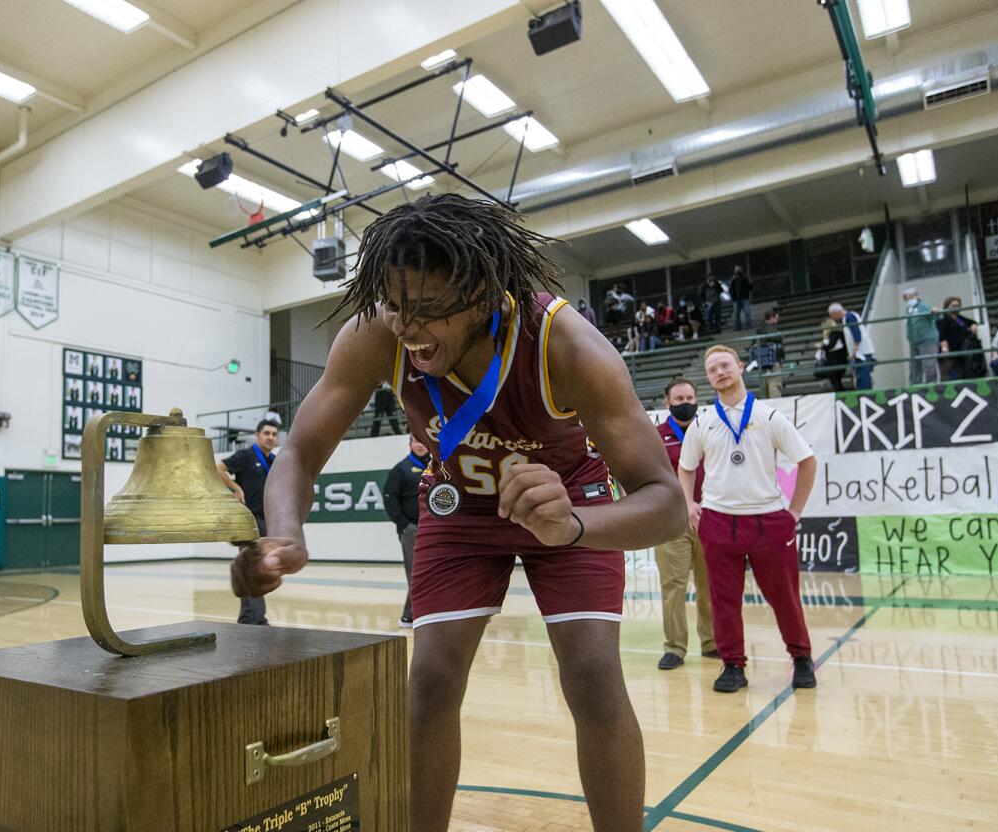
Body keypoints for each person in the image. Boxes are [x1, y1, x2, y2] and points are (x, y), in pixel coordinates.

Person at [230, 194, 686, 832]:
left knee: (592, 675)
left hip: (567, 499)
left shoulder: (568, 346)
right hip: (457, 503)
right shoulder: (377, 332)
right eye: (397, 306)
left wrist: (575, 525)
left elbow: (667, 503)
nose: (410, 329)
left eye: (431, 311)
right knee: (431, 684)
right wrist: (283, 534)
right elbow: (302, 450)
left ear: (484, 294)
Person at [677, 345, 818, 693]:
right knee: (723, 601)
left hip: (768, 522)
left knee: (784, 596)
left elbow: (808, 461)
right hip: (718, 523)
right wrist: (689, 503)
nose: (720, 372)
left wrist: (794, 511)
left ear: (740, 367)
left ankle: (801, 658)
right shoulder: (703, 421)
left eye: (725, 365)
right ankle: (732, 666)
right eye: (713, 369)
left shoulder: (770, 417)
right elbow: (685, 467)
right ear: (708, 378)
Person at [655, 379, 717, 670]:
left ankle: (712, 642)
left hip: (709, 521)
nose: (685, 402)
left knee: (711, 586)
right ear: (667, 403)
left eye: (690, 397)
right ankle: (675, 648)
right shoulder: (656, 436)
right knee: (673, 587)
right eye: (679, 398)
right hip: (672, 524)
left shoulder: (710, 431)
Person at [216, 419, 280, 625]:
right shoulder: (246, 456)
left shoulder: (275, 461)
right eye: (267, 433)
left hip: (266, 521)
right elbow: (218, 468)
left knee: (260, 570)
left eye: (274, 434)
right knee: (253, 568)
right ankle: (255, 621)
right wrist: (236, 488)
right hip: (249, 521)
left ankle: (250, 620)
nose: (270, 437)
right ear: (257, 435)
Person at [383, 437, 430, 628]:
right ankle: (409, 616)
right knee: (415, 573)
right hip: (412, 530)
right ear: (410, 445)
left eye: (422, 441)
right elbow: (389, 498)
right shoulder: (401, 469)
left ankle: (426, 613)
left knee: (433, 573)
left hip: (434, 529)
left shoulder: (437, 467)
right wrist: (404, 525)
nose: (419, 445)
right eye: (415, 441)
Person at [828, 302, 876, 389]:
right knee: (861, 375)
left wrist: (855, 349)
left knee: (862, 376)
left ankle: (865, 394)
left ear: (835, 313)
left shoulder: (849, 317)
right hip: (861, 351)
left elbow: (856, 332)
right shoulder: (849, 317)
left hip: (861, 352)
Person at [937, 297, 981, 380]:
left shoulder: (959, 318)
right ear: (947, 306)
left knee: (962, 374)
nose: (956, 307)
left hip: (962, 351)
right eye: (953, 305)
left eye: (958, 305)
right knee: (948, 375)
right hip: (949, 352)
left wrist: (974, 325)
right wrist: (944, 349)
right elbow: (941, 335)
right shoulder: (943, 318)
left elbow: (971, 322)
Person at [902, 287, 939, 385]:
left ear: (915, 296)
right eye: (906, 299)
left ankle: (931, 385)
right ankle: (914, 385)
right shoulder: (909, 309)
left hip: (926, 339)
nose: (907, 300)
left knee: (929, 364)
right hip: (914, 341)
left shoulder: (923, 306)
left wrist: (935, 311)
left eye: (909, 297)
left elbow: (935, 315)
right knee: (914, 366)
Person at [753, 309, 785, 398]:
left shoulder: (759, 329)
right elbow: (779, 340)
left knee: (764, 386)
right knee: (774, 384)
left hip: (762, 362)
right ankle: (776, 406)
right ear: (771, 318)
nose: (777, 320)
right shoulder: (772, 330)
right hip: (773, 361)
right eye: (776, 318)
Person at [815, 318, 849, 392]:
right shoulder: (838, 334)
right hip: (839, 360)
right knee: (836, 380)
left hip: (836, 361)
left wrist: (822, 346)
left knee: (835, 379)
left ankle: (841, 393)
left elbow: (831, 346)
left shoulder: (834, 334)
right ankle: (841, 392)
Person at [730, 266, 753, 331]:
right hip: (737, 299)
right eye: (737, 269)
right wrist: (733, 298)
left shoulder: (745, 277)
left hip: (744, 298)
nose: (738, 270)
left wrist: (750, 282)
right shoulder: (733, 278)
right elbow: (731, 289)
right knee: (737, 314)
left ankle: (748, 326)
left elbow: (750, 286)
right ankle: (738, 327)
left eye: (739, 269)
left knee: (746, 312)